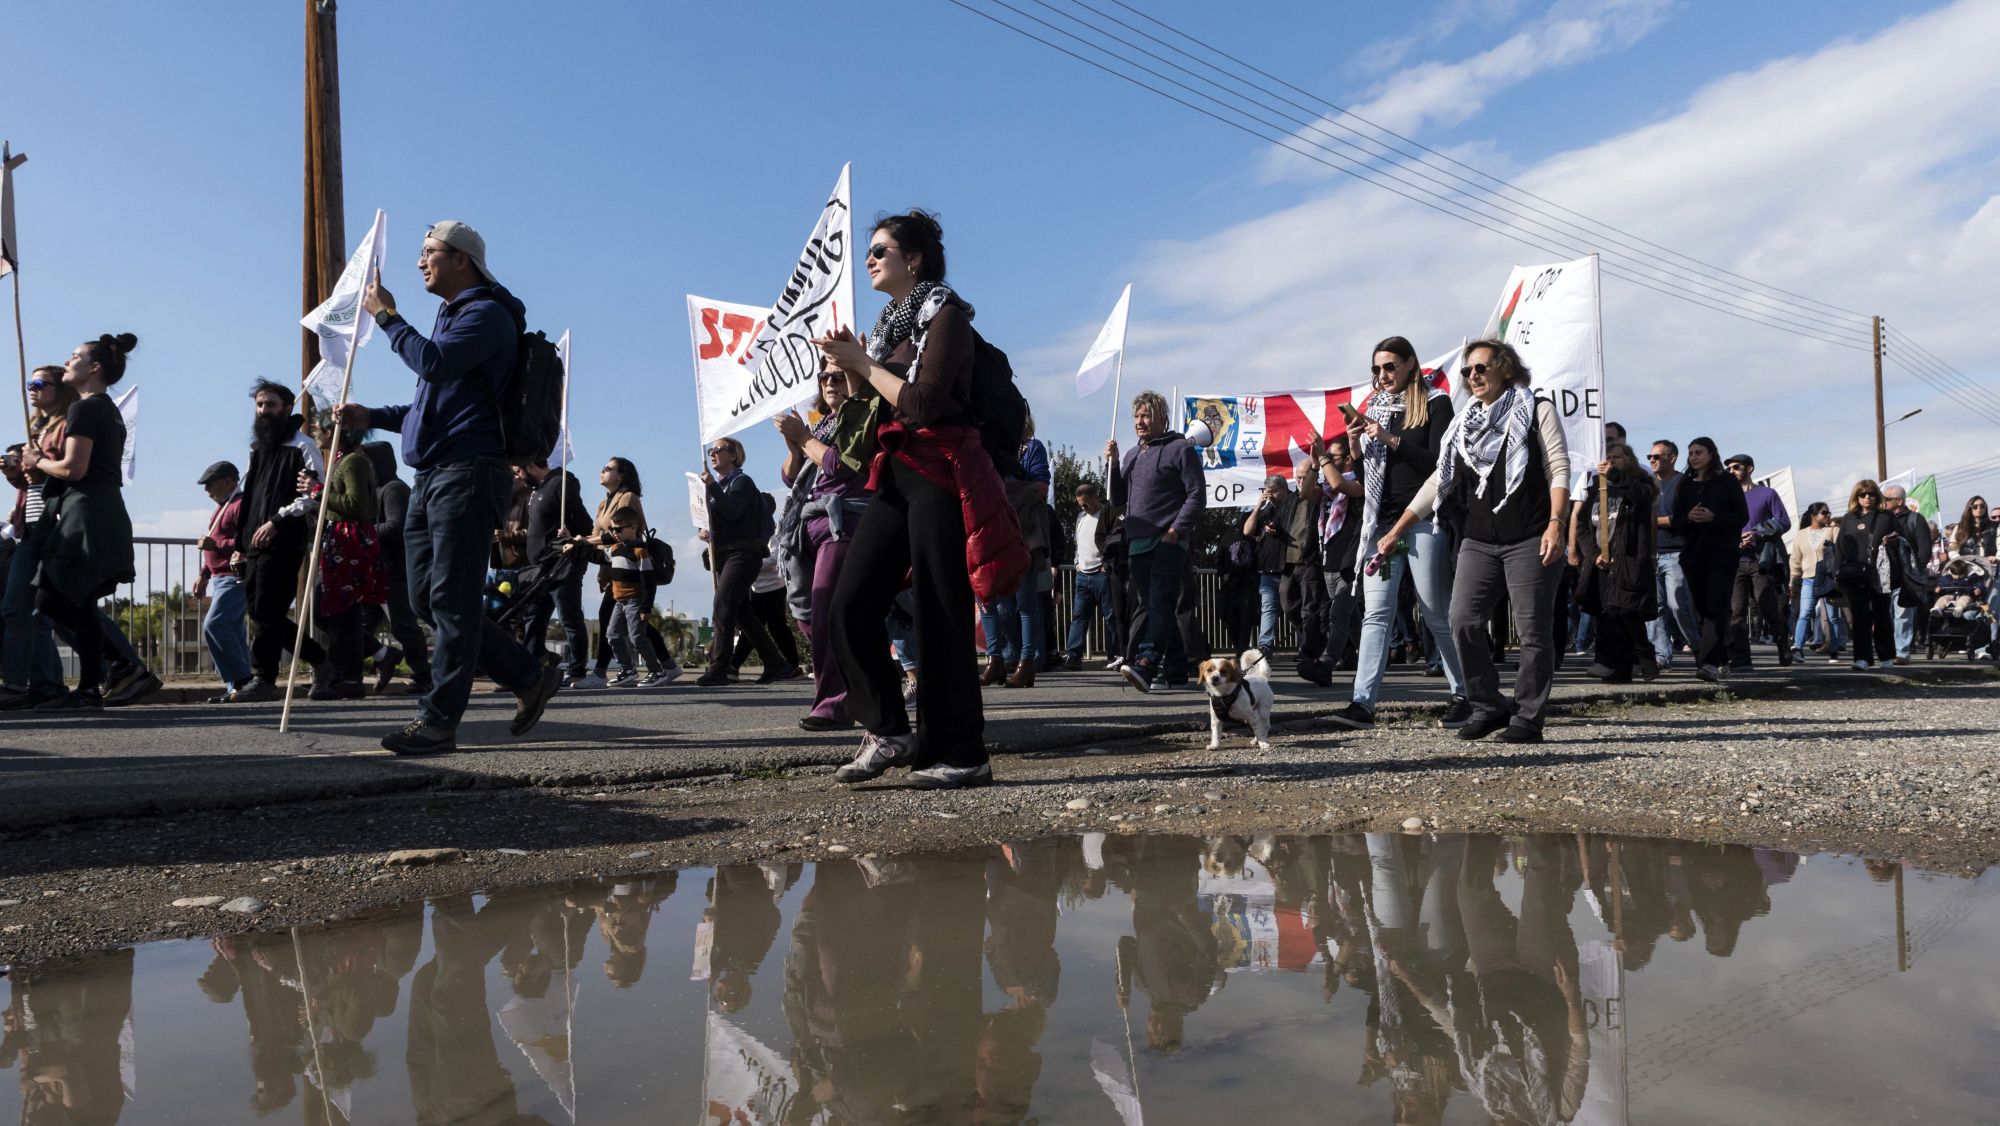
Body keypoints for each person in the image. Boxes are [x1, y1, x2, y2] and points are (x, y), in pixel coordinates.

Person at [814, 208, 1027, 789]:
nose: (869, 260)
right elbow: (870, 419)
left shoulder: (947, 315)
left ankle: (961, 754)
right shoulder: (889, 329)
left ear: (913, 260)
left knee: (940, 614)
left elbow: (925, 404)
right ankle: (889, 729)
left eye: (880, 250)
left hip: (941, 471)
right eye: (869, 251)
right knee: (849, 604)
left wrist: (863, 366)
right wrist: (853, 372)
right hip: (897, 471)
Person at [346, 219, 562, 755]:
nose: (420, 262)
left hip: (467, 474)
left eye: (429, 252)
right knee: (428, 598)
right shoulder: (453, 319)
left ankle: (439, 721)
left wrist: (388, 316)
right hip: (434, 476)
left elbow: (434, 365)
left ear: (461, 259)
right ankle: (529, 675)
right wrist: (367, 413)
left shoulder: (485, 315)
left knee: (453, 599)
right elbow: (428, 404)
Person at [1378, 339, 1570, 742]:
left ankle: (1528, 718)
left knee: (1534, 632)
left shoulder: (1537, 409)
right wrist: (1397, 529)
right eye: (1467, 371)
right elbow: (1438, 480)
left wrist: (1556, 523)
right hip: (1479, 540)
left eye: (1481, 368)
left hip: (1530, 535)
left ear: (1506, 369)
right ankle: (1489, 705)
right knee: (1462, 620)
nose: (1473, 376)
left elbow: (1558, 467)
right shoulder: (1464, 423)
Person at [1329, 336, 1468, 730]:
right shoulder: (1377, 409)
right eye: (1376, 369)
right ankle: (1362, 703)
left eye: (1390, 366)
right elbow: (1370, 473)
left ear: (1411, 364)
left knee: (1434, 611)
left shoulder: (1436, 403)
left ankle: (1464, 693)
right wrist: (1357, 443)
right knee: (1377, 614)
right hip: (1381, 524)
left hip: (1422, 521)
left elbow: (1439, 463)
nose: (1382, 375)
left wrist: (1388, 438)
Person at [22, 334, 140, 709]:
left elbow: (74, 468)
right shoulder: (103, 408)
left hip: (87, 512)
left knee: (65, 598)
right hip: (93, 510)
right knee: (64, 600)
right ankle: (112, 671)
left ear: (94, 368)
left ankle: (100, 681)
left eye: (74, 356)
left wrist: (35, 461)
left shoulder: (86, 409)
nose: (67, 361)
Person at [774, 363, 873, 729]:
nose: (830, 382)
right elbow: (791, 475)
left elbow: (839, 467)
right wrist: (796, 444)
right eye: (825, 377)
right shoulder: (821, 424)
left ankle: (835, 702)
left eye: (839, 374)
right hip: (807, 526)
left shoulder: (860, 414)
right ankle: (862, 689)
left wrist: (803, 439)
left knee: (829, 609)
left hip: (842, 522)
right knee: (808, 614)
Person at [232, 379, 327, 702]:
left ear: (287, 408)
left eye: (270, 405)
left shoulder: (303, 447)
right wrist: (239, 545)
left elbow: (314, 495)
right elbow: (248, 499)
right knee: (259, 611)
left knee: (268, 610)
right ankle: (320, 659)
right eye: (259, 405)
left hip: (284, 539)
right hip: (254, 542)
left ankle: (264, 677)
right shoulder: (257, 450)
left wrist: (277, 520)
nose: (263, 411)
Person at [1107, 390, 1205, 692]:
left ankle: (1147, 663)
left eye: (1146, 415)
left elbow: (1196, 494)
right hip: (1137, 543)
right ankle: (1176, 669)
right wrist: (1112, 465)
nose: (1140, 421)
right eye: (1137, 416)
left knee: (1160, 602)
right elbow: (1118, 499)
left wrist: (1176, 531)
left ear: (1161, 417)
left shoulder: (1180, 449)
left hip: (1168, 542)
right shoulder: (1133, 455)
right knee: (1153, 605)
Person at [0, 370, 78, 707]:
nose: (31, 390)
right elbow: (34, 485)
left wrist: (39, 462)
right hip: (30, 530)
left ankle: (33, 684)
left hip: (53, 528)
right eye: (29, 384)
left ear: (58, 389)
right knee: (21, 610)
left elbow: (70, 473)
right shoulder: (40, 430)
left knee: (45, 612)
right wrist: (17, 473)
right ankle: (31, 684)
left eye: (38, 384)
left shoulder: (66, 427)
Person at [695, 435, 797, 687]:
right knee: (741, 613)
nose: (712, 454)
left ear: (734, 455)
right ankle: (775, 662)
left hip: (743, 554)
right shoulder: (719, 486)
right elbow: (722, 518)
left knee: (722, 604)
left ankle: (719, 667)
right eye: (710, 451)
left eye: (718, 450)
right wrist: (705, 531)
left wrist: (711, 487)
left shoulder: (741, 482)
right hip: (727, 553)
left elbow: (732, 510)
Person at [1571, 442, 1658, 682]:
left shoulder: (1641, 484)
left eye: (1616, 457)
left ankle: (1645, 654)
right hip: (1600, 561)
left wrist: (1616, 475)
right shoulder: (1595, 490)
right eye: (1606, 457)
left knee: (1626, 610)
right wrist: (1592, 553)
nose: (1610, 461)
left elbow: (1643, 497)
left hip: (1628, 560)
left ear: (1628, 459)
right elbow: (1582, 526)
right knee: (1608, 614)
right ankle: (1619, 667)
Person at [981, 418, 1053, 688]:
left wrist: (1003, 494)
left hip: (1023, 531)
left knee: (1024, 601)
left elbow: (1041, 487)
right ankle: (996, 659)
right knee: (989, 597)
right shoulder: (988, 447)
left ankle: (1026, 662)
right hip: (992, 530)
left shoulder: (1031, 448)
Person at [1669, 437, 1748, 682]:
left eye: (1698, 452)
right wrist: (1689, 517)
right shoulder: (1685, 484)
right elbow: (1676, 521)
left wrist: (1715, 517)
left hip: (1722, 554)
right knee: (1702, 611)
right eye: (1690, 452)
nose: (1693, 457)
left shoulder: (1727, 482)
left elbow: (1741, 516)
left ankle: (1709, 663)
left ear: (1711, 454)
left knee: (1716, 606)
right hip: (1694, 555)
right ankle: (1721, 658)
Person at [360, 440, 433, 695]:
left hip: (394, 571)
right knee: (358, 627)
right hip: (373, 572)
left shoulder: (393, 490)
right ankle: (375, 662)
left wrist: (362, 531)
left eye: (367, 463)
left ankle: (423, 674)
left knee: (403, 625)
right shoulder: (373, 491)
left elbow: (396, 526)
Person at [516, 457, 597, 686]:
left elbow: (584, 523)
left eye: (519, 470)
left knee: (569, 618)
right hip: (540, 569)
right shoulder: (536, 490)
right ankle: (530, 670)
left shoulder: (560, 484)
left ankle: (577, 669)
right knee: (534, 618)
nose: (518, 476)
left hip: (562, 565)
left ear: (531, 465)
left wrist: (571, 534)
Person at [1297, 431, 1365, 685]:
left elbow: (1339, 484)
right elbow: (1305, 493)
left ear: (1348, 460)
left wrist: (1322, 458)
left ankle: (1325, 665)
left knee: (1338, 614)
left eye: (1333, 458)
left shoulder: (1359, 480)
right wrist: (1315, 464)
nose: (1328, 462)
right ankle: (1373, 657)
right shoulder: (1324, 488)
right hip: (1328, 560)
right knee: (1351, 616)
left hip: (1351, 560)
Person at [579, 456, 649, 688]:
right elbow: (594, 534)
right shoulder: (603, 504)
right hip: (610, 569)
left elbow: (623, 532)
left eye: (608, 468)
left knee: (607, 616)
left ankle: (601, 673)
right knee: (636, 624)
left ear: (622, 476)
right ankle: (667, 666)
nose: (602, 470)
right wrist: (575, 539)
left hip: (628, 568)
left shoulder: (628, 497)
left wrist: (585, 543)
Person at [1723, 453, 1793, 669]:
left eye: (1736, 467)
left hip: (1761, 560)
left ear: (1749, 469)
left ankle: (1783, 643)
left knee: (1767, 608)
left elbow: (1784, 522)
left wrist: (1756, 533)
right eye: (1729, 468)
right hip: (1735, 561)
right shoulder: (1726, 498)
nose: (1732, 471)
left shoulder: (1767, 494)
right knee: (1736, 611)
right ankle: (1742, 658)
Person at [598, 505, 676, 687]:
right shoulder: (616, 549)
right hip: (619, 602)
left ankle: (657, 671)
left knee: (637, 637)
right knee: (612, 635)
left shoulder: (640, 552)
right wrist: (574, 547)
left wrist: (646, 607)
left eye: (618, 529)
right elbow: (598, 556)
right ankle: (627, 669)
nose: (614, 533)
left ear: (633, 528)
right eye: (612, 529)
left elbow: (648, 582)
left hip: (635, 601)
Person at [195, 460, 252, 701]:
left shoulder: (240, 505)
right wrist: (204, 574)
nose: (207, 489)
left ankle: (242, 681)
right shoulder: (219, 509)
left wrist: (215, 545)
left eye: (211, 483)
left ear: (230, 481)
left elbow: (246, 541)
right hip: (219, 578)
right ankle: (236, 688)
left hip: (234, 576)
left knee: (215, 625)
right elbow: (214, 543)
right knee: (233, 631)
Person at [1645, 439, 1702, 671]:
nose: (1652, 460)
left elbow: (1685, 518)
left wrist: (1652, 521)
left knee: (1678, 605)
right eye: (1650, 457)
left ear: (1672, 457)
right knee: (1653, 608)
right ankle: (1661, 655)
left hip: (1676, 553)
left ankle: (1698, 647)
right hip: (1651, 554)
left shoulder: (1684, 483)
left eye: (1657, 456)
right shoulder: (1648, 485)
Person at [1833, 479, 1899, 670]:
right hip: (1855, 573)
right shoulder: (1849, 518)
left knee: (1882, 616)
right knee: (1860, 617)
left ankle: (1886, 656)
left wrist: (1893, 542)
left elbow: (1900, 541)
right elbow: (1840, 548)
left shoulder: (1886, 516)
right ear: (1856, 497)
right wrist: (1836, 573)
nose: (1867, 497)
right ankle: (1862, 658)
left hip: (1880, 573)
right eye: (1862, 494)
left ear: (1877, 496)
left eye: (1870, 494)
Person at [1062, 481, 1117, 670]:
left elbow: (1112, 541)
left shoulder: (1106, 515)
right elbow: (1078, 542)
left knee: (1111, 616)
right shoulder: (1080, 517)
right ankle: (1073, 655)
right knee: (1079, 616)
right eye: (1080, 504)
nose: (1083, 507)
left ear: (1095, 498)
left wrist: (1106, 565)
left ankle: (1114, 655)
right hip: (1083, 575)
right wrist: (1077, 563)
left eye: (1085, 503)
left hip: (1102, 574)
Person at [1881, 483, 1933, 665]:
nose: (1883, 502)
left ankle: (1901, 652)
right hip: (1885, 575)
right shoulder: (1881, 519)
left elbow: (1924, 548)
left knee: (1903, 615)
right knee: (1884, 615)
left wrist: (1915, 571)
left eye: (1887, 499)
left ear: (1899, 501)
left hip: (1906, 577)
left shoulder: (1915, 519)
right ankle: (1887, 651)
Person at [1242, 474, 1294, 653]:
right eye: (1268, 492)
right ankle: (1265, 646)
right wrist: (1258, 506)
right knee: (1268, 608)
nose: (1271, 495)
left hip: (1290, 567)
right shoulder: (1266, 510)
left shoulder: (1294, 505)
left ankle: (1307, 644)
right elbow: (1247, 531)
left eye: (1275, 491)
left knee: (1292, 608)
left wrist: (1280, 530)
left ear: (1285, 490)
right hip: (1268, 568)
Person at [1789, 502, 1846, 661]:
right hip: (1809, 578)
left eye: (1829, 513)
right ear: (1814, 516)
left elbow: (1842, 551)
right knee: (1805, 613)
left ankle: (1834, 650)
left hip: (1828, 579)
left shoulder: (1833, 530)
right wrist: (1793, 580)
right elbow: (1795, 559)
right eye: (1824, 513)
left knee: (1832, 616)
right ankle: (1797, 647)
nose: (1828, 515)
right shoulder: (1801, 534)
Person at [1950, 495, 1996, 560]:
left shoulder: (1994, 527)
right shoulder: (1960, 528)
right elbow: (1952, 548)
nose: (1979, 508)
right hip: (1968, 567)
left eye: (1982, 506)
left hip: (1990, 566)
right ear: (1970, 508)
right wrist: (1959, 559)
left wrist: (1997, 558)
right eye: (1975, 507)